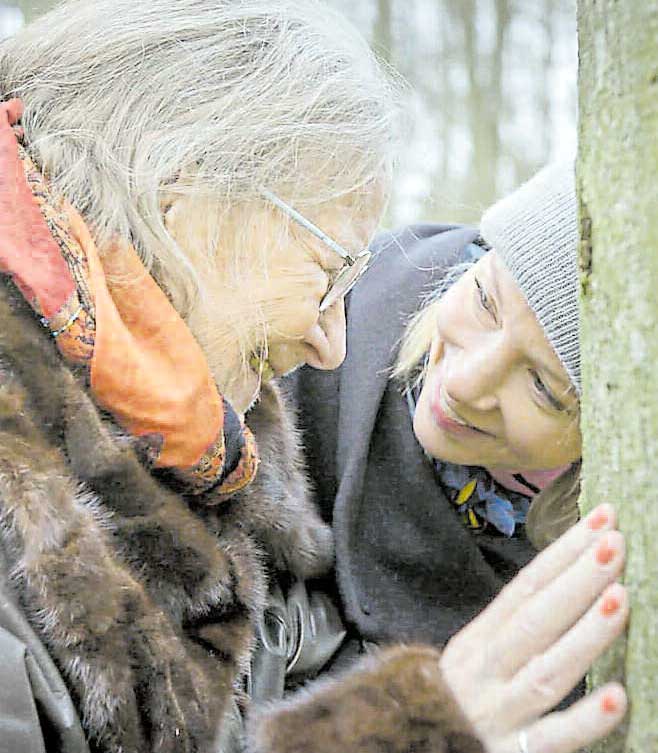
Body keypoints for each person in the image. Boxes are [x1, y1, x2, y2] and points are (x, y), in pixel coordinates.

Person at [0, 0, 627, 751]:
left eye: (545, 386)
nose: (335, 340)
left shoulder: (198, 451)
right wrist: (405, 731)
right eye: (329, 272)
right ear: (190, 197)